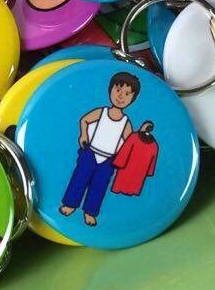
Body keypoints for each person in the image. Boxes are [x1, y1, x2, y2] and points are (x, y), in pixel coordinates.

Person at [60, 71, 151, 226]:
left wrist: (142, 131)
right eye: (118, 90)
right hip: (90, 152)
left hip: (109, 160)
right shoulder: (101, 112)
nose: (121, 96)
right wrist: (83, 135)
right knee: (79, 178)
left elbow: (131, 141)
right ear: (110, 90)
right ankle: (70, 204)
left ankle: (90, 212)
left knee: (99, 185)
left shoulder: (125, 122)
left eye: (127, 94)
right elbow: (84, 120)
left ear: (132, 99)